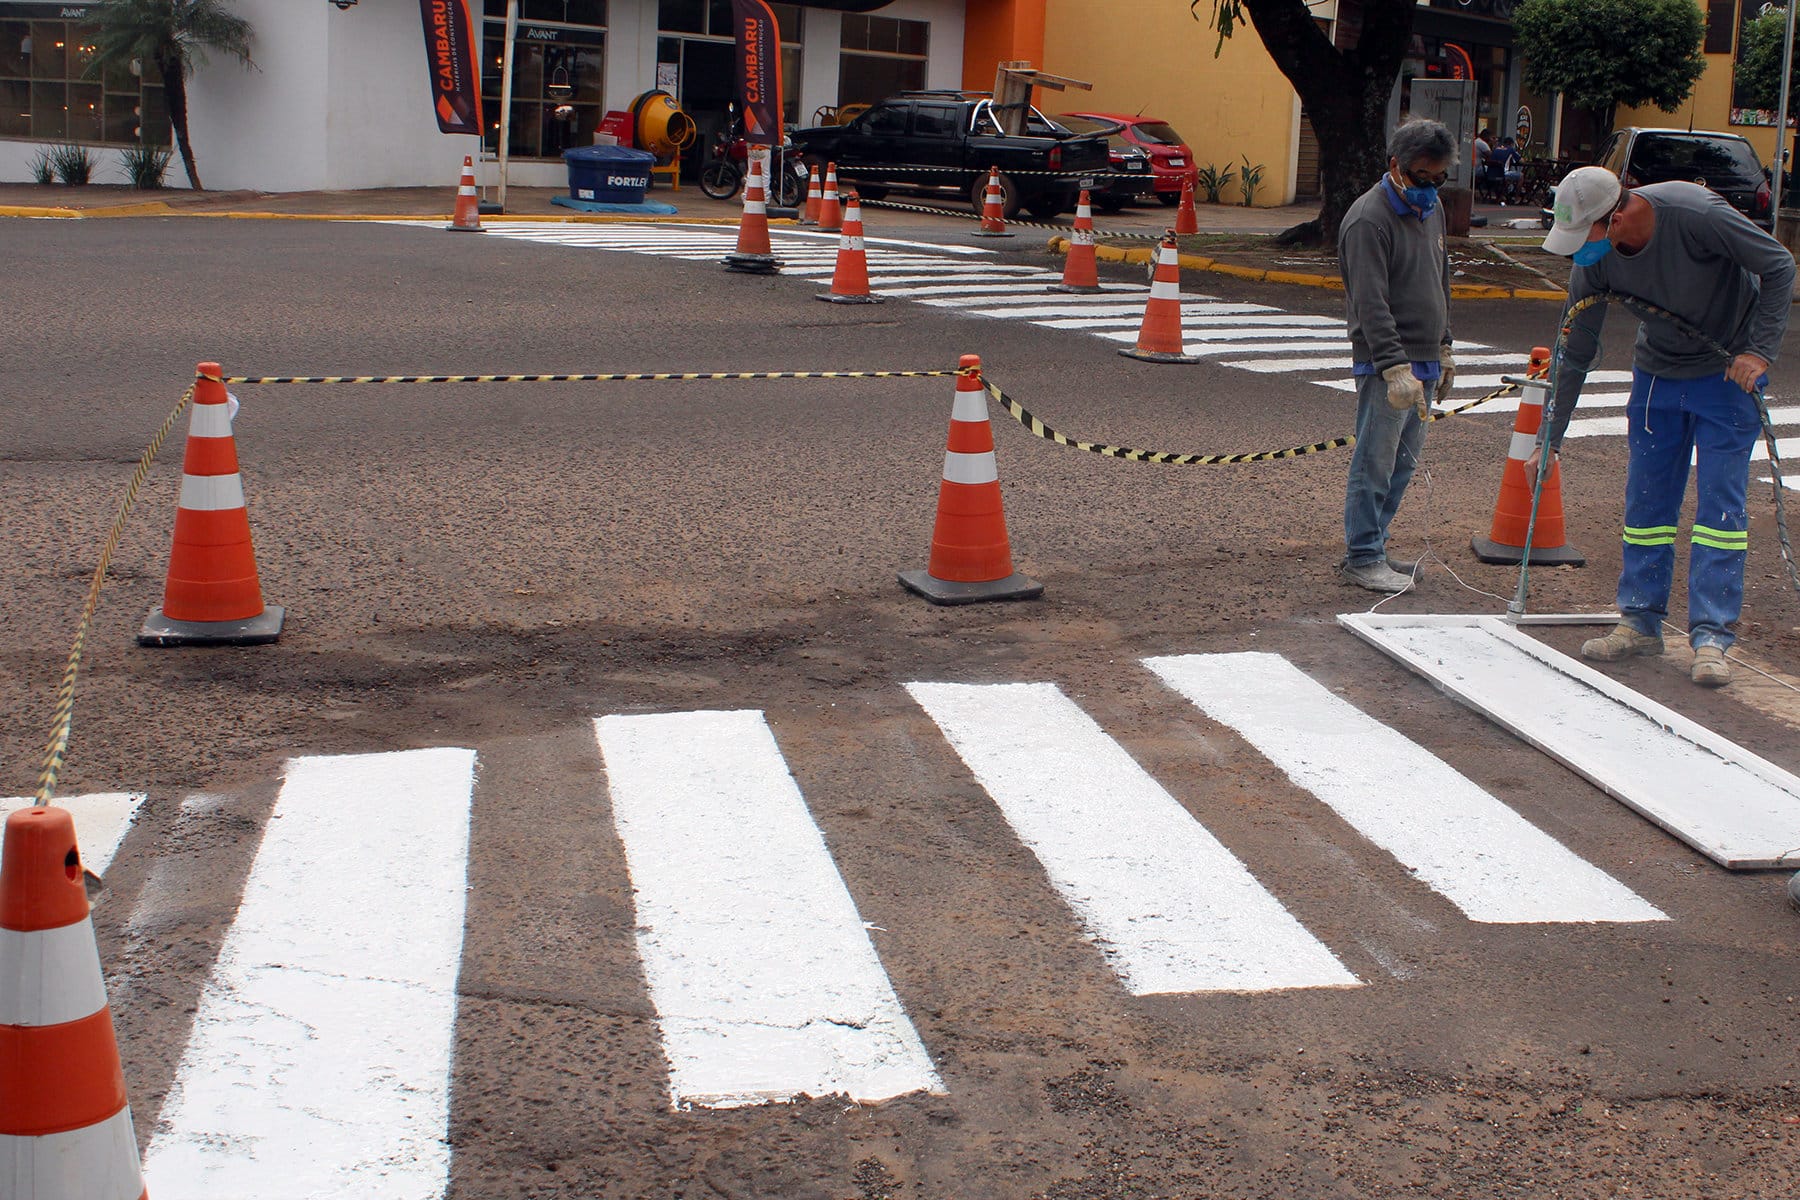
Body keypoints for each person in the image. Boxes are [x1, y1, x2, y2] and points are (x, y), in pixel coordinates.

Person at [1538, 165, 1794, 687]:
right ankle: (1640, 620)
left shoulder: (1694, 214)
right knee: (1647, 503)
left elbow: (1780, 264)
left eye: (1581, 237)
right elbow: (1577, 347)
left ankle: (1712, 637)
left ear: (1615, 218)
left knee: (1720, 506)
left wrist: (1758, 351)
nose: (1575, 254)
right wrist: (1550, 438)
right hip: (1658, 373)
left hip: (1727, 373)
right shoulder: (1595, 263)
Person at [1337, 118, 1458, 593]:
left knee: (1403, 463)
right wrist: (1392, 366)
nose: (1430, 188)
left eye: (1438, 179)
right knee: (1376, 460)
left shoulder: (1432, 209)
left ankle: (1378, 545)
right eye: (1421, 178)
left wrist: (1445, 345)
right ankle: (1361, 555)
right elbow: (1370, 302)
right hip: (1387, 363)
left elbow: (1440, 277)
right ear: (1396, 166)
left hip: (1424, 358)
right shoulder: (1368, 220)